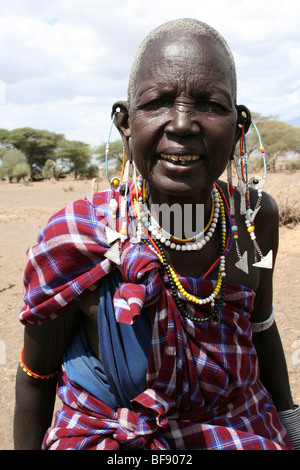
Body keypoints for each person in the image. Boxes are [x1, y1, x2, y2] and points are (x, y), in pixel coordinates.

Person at [14, 18, 299, 451]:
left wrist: (292, 429)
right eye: (157, 103)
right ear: (125, 124)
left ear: (239, 126)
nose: (182, 123)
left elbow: (261, 326)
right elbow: (37, 377)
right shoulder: (77, 238)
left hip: (243, 430)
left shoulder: (254, 220)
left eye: (209, 104)